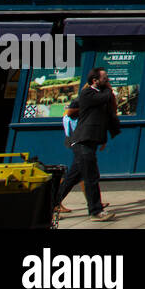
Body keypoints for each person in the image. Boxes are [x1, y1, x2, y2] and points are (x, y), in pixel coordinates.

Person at [55, 68, 120, 221]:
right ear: (94, 80)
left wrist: (104, 138)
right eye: (105, 77)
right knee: (91, 176)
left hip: (90, 141)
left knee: (72, 177)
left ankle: (50, 203)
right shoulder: (87, 94)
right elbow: (104, 98)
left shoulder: (102, 95)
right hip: (82, 141)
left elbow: (107, 117)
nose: (107, 79)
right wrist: (110, 91)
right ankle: (95, 211)